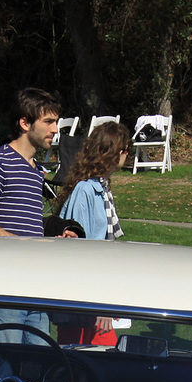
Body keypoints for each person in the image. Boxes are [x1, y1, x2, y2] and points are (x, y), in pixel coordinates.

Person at [0, 87, 65, 341]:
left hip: (36, 285)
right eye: (48, 122)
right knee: (6, 367)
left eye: (55, 122)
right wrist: (24, 244)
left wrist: (55, 235)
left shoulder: (37, 169)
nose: (55, 129)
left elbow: (27, 223)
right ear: (25, 123)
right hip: (4, 287)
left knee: (39, 366)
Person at [53, 122, 130, 346]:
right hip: (82, 303)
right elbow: (79, 251)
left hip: (93, 298)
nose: (127, 154)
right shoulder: (85, 190)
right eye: (125, 149)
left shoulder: (101, 188)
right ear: (113, 152)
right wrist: (100, 304)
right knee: (88, 361)